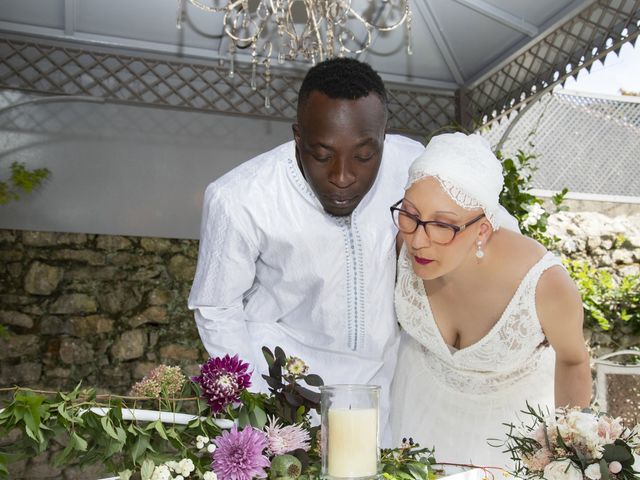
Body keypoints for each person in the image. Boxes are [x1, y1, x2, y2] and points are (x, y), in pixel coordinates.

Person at [188, 58, 425, 442]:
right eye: (322, 154)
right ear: (298, 136)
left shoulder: (413, 165)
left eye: (364, 156)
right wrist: (261, 401)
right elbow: (217, 306)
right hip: (286, 385)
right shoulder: (239, 198)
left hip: (384, 379)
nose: (343, 176)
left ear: (384, 137)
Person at [389, 133, 591, 466]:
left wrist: (569, 455)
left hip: (510, 437)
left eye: (443, 225)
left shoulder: (544, 283)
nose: (419, 241)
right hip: (415, 413)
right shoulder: (404, 242)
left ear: (482, 230)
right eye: (410, 215)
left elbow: (573, 360)